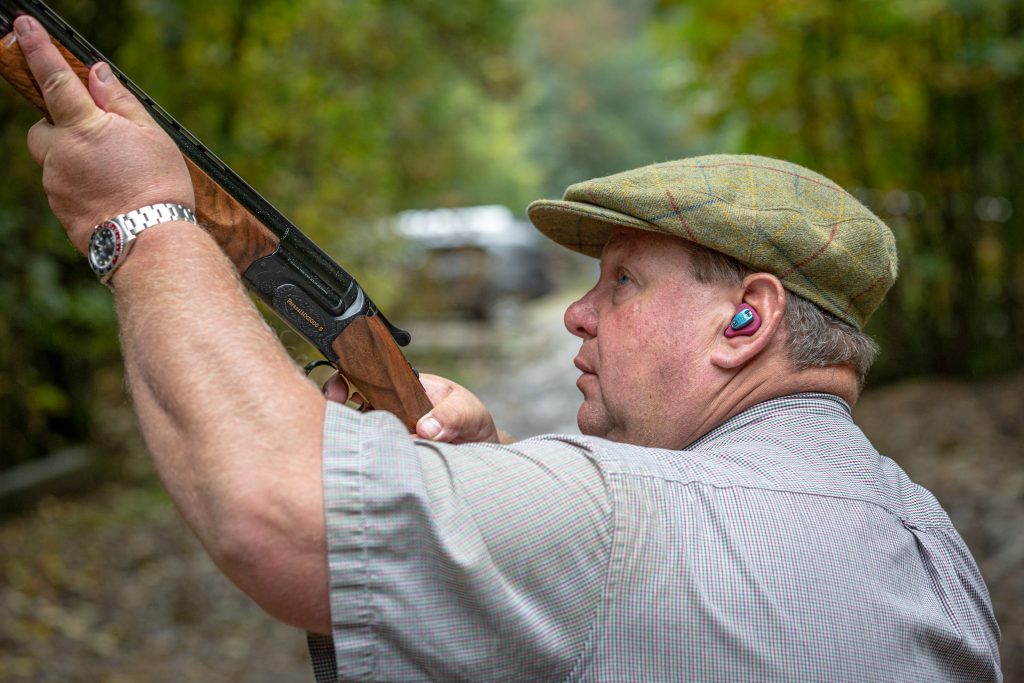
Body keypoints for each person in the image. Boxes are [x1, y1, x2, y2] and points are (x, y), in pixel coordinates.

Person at [11, 15, 1001, 682]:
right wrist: (482, 491)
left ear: (745, 319)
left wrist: (136, 218)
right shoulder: (921, 533)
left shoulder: (621, 517)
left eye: (620, 280)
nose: (575, 314)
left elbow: (276, 516)